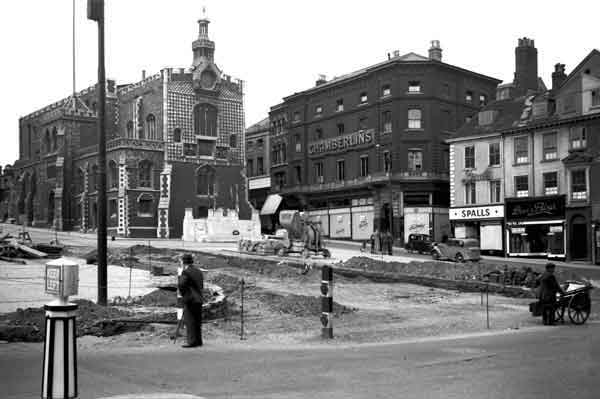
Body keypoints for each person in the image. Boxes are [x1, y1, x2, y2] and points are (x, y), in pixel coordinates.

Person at [177, 253, 205, 347]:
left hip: (191, 299)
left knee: (190, 321)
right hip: (199, 298)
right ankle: (198, 341)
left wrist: (184, 295)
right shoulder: (198, 271)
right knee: (197, 321)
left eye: (181, 261)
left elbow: (181, 285)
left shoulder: (185, 272)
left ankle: (191, 341)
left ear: (184, 262)